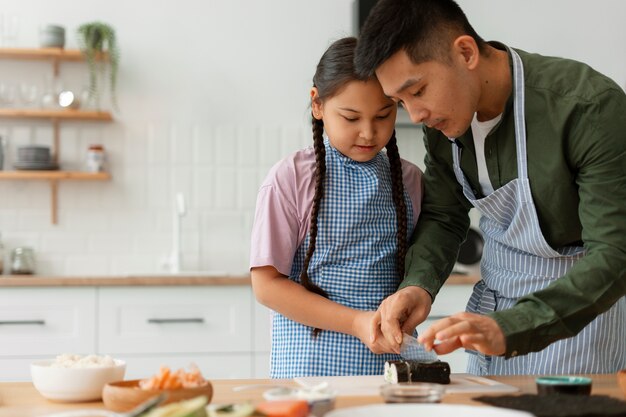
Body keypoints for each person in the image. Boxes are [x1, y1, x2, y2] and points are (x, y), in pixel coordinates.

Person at [354, 0, 626, 375]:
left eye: (417, 91)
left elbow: (614, 253)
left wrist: (512, 326)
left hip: (577, 323)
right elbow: (445, 217)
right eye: (400, 102)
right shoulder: (443, 126)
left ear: (465, 52)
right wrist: (418, 286)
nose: (415, 115)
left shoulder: (587, 108)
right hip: (491, 313)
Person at [249, 36, 424, 378]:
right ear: (317, 104)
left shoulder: (410, 180)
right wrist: (357, 322)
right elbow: (266, 285)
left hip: (388, 365)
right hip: (309, 367)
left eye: (384, 115)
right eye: (351, 117)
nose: (368, 133)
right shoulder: (291, 178)